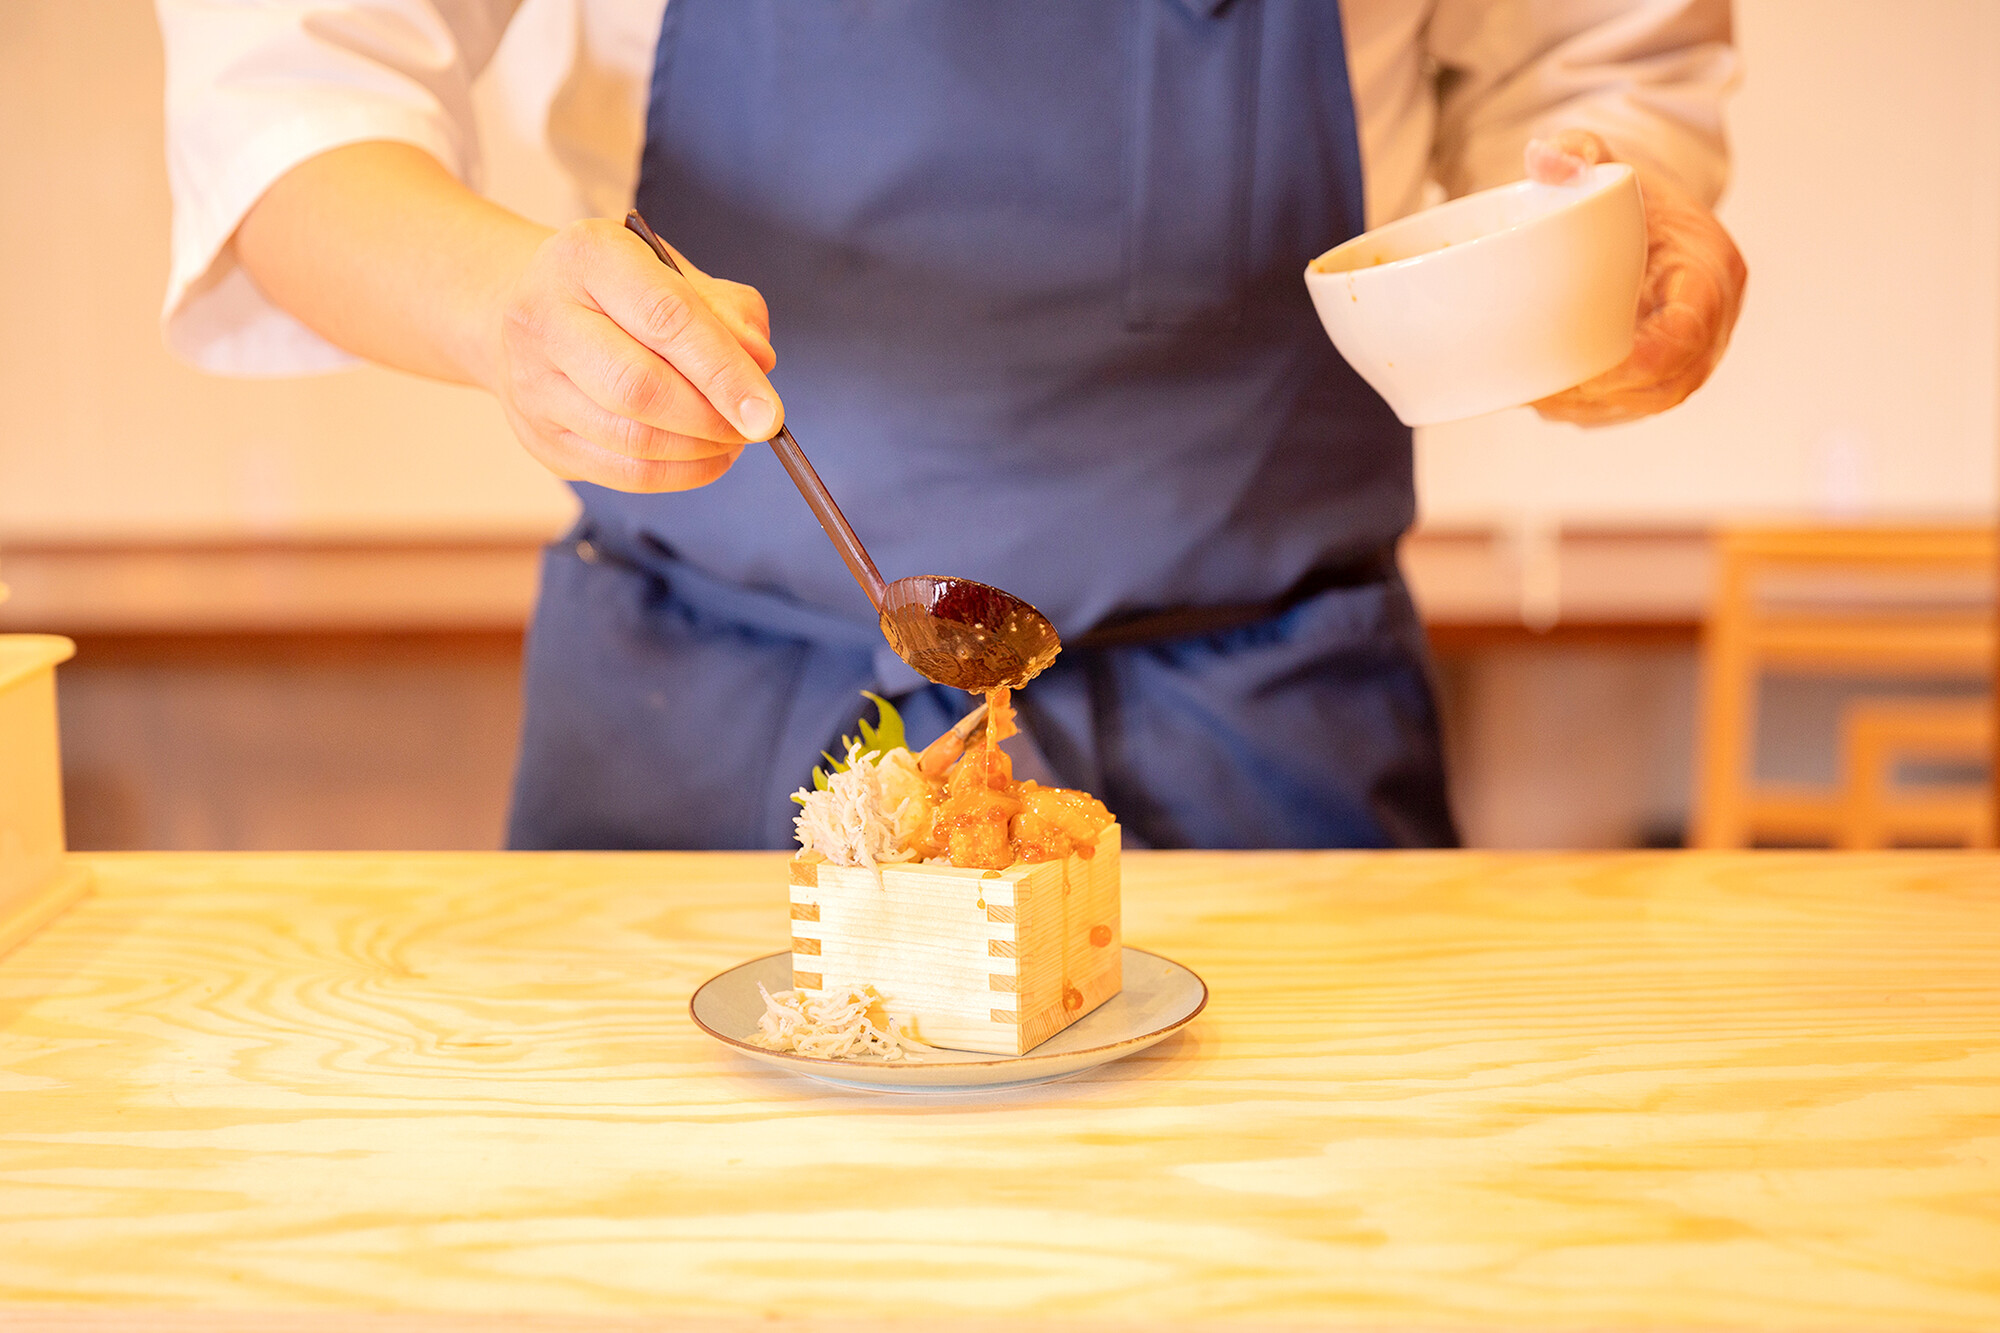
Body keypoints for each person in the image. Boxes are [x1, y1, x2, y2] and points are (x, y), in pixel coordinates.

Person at [155, 0, 1747, 852]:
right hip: (703, 733)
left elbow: (1592, 65)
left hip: (1271, 737)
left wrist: (1595, 249)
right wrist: (503, 308)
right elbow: (289, 87)